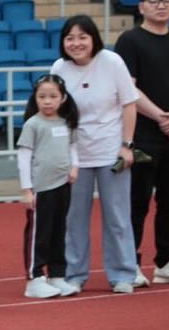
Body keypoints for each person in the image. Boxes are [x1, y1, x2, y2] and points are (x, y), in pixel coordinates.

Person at [49, 15, 140, 293]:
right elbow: (54, 110)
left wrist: (127, 145)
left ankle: (123, 273)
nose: (76, 43)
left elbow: (129, 104)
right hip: (75, 154)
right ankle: (74, 274)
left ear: (93, 39)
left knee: (117, 216)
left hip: (111, 150)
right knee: (73, 218)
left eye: (82, 37)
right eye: (70, 38)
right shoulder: (59, 67)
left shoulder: (112, 62)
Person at [113, 0, 169, 286]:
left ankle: (166, 260)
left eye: (167, 0)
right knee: (137, 201)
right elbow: (128, 88)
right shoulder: (130, 41)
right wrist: (162, 118)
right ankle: (130, 263)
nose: (161, 5)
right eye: (154, 0)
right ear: (142, 6)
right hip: (143, 133)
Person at [17, 75, 80, 299]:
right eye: (42, 96)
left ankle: (57, 275)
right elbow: (24, 157)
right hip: (41, 188)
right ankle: (34, 278)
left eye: (53, 96)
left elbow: (72, 147)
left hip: (63, 185)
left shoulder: (66, 122)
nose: (47, 101)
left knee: (58, 231)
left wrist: (75, 167)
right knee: (39, 234)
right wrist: (27, 189)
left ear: (63, 98)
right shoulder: (33, 124)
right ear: (35, 98)